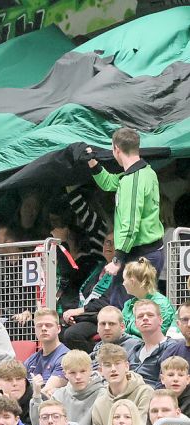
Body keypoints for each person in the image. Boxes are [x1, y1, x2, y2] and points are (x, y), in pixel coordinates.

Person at [85, 128, 164, 306]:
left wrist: (116, 260)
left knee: (125, 311)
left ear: (116, 149)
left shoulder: (133, 180)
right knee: (127, 309)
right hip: (143, 254)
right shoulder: (144, 172)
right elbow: (108, 182)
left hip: (139, 255)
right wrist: (91, 161)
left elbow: (130, 224)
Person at [29, 350, 104, 425]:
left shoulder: (101, 395)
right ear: (65, 374)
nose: (78, 377)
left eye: (83, 371)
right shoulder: (59, 396)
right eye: (72, 372)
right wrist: (37, 395)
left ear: (91, 371)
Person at [90, 343, 153, 425]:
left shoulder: (144, 392)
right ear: (101, 371)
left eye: (117, 363)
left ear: (127, 366)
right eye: (107, 365)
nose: (113, 369)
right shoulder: (99, 403)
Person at [127, 299, 178, 388]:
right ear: (135, 324)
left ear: (160, 320)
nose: (145, 318)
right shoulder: (133, 350)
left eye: (150, 315)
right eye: (140, 316)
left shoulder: (172, 348)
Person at [119, 259, 174, 338]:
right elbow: (120, 329)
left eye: (124, 280)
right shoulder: (128, 305)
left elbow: (158, 334)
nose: (123, 284)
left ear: (132, 281)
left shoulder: (161, 304)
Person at [23, 308, 69, 394]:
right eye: (39, 326)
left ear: (58, 329)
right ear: (35, 330)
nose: (43, 328)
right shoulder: (31, 360)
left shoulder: (66, 358)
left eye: (48, 325)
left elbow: (47, 392)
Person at [0, 361, 34, 425]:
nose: (15, 383)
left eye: (18, 379)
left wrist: (10, 409)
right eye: (8, 380)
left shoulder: (38, 400)